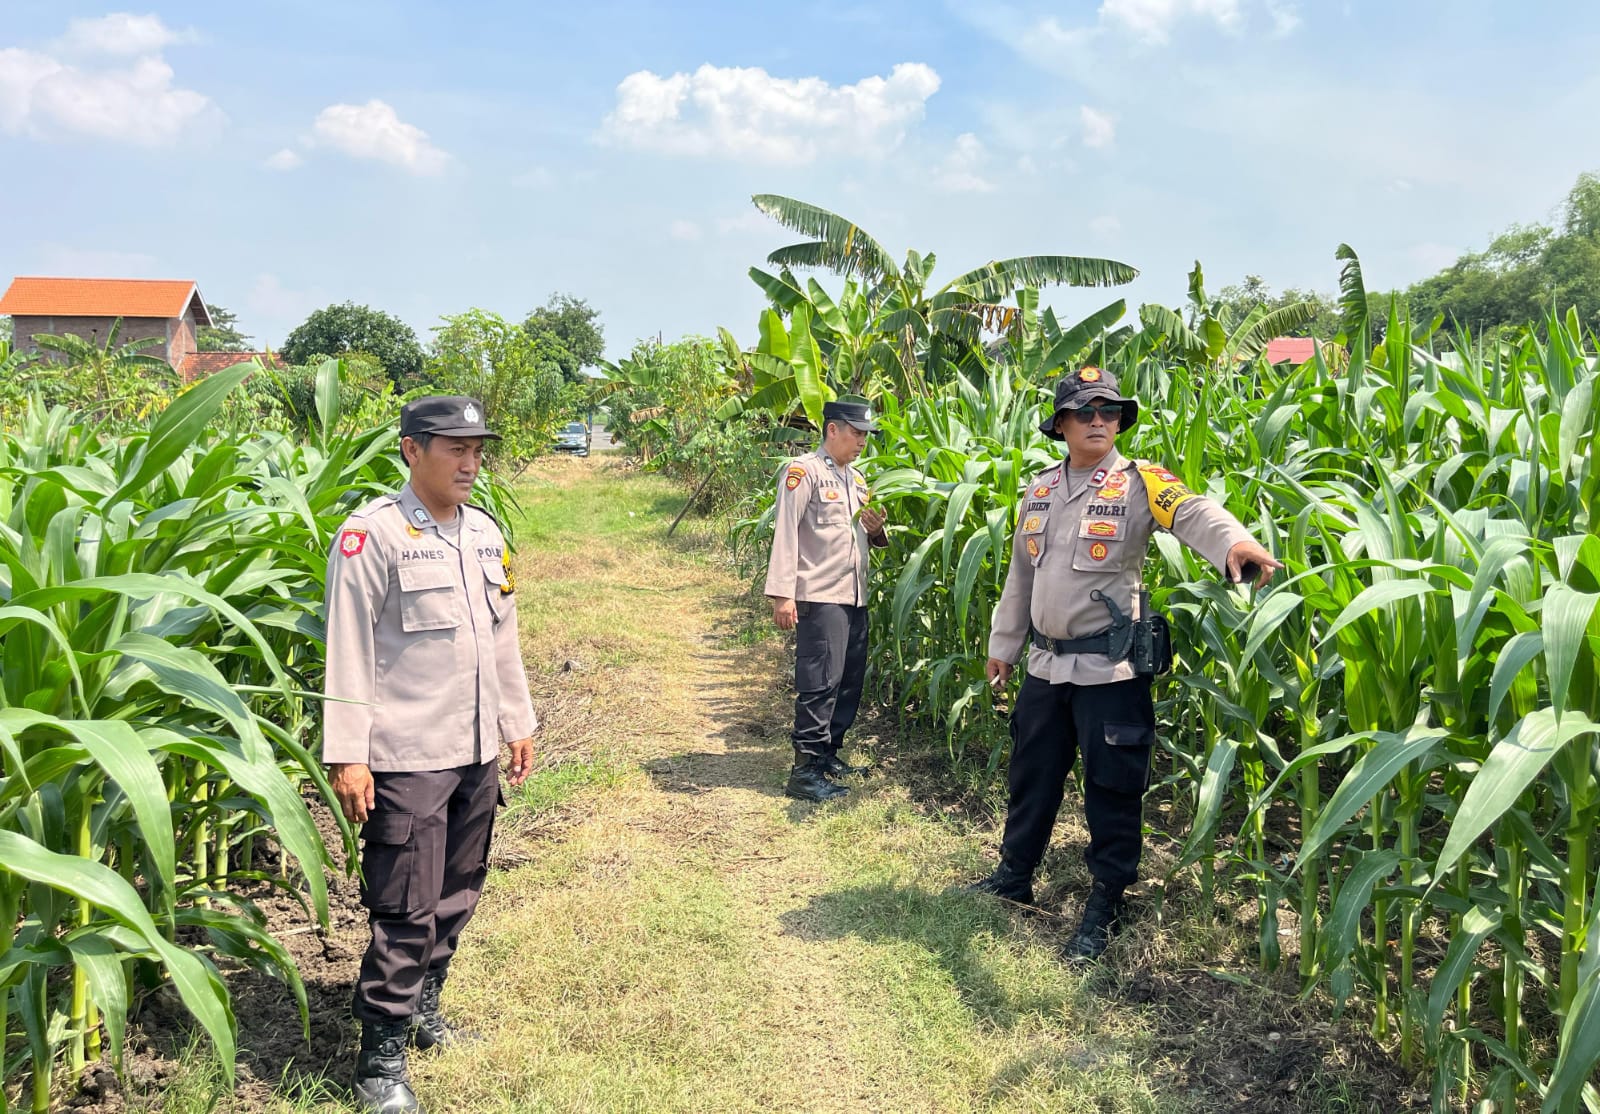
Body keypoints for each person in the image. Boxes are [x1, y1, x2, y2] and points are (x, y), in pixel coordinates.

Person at [969, 367, 1280, 960]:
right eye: (1085, 411)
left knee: (1112, 789)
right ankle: (1014, 875)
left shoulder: (1140, 483)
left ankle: (1106, 901)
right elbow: (1019, 577)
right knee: (1031, 777)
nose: (1098, 420)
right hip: (1044, 666)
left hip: (1109, 674)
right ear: (1060, 424)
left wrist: (1235, 544)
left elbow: (1195, 514)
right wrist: (1003, 646)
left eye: (1109, 411)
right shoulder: (1038, 489)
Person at [322, 396, 536, 1113]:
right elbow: (347, 649)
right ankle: (378, 1059)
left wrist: (517, 720)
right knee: (406, 904)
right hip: (408, 753)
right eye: (455, 449)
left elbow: (500, 637)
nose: (471, 463)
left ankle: (422, 1006)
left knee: (459, 889)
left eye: (478, 449)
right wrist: (348, 754)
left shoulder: (482, 533)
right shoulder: (372, 537)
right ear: (412, 451)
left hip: (473, 747)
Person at [764, 399, 891, 802]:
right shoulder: (805, 473)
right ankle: (804, 772)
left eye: (866, 436)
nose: (862, 443)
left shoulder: (858, 479)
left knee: (848, 680)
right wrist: (783, 595)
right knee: (820, 682)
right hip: (820, 596)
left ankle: (828, 755)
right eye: (856, 434)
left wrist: (876, 531)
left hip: (854, 595)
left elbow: (861, 538)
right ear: (832, 430)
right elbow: (786, 533)